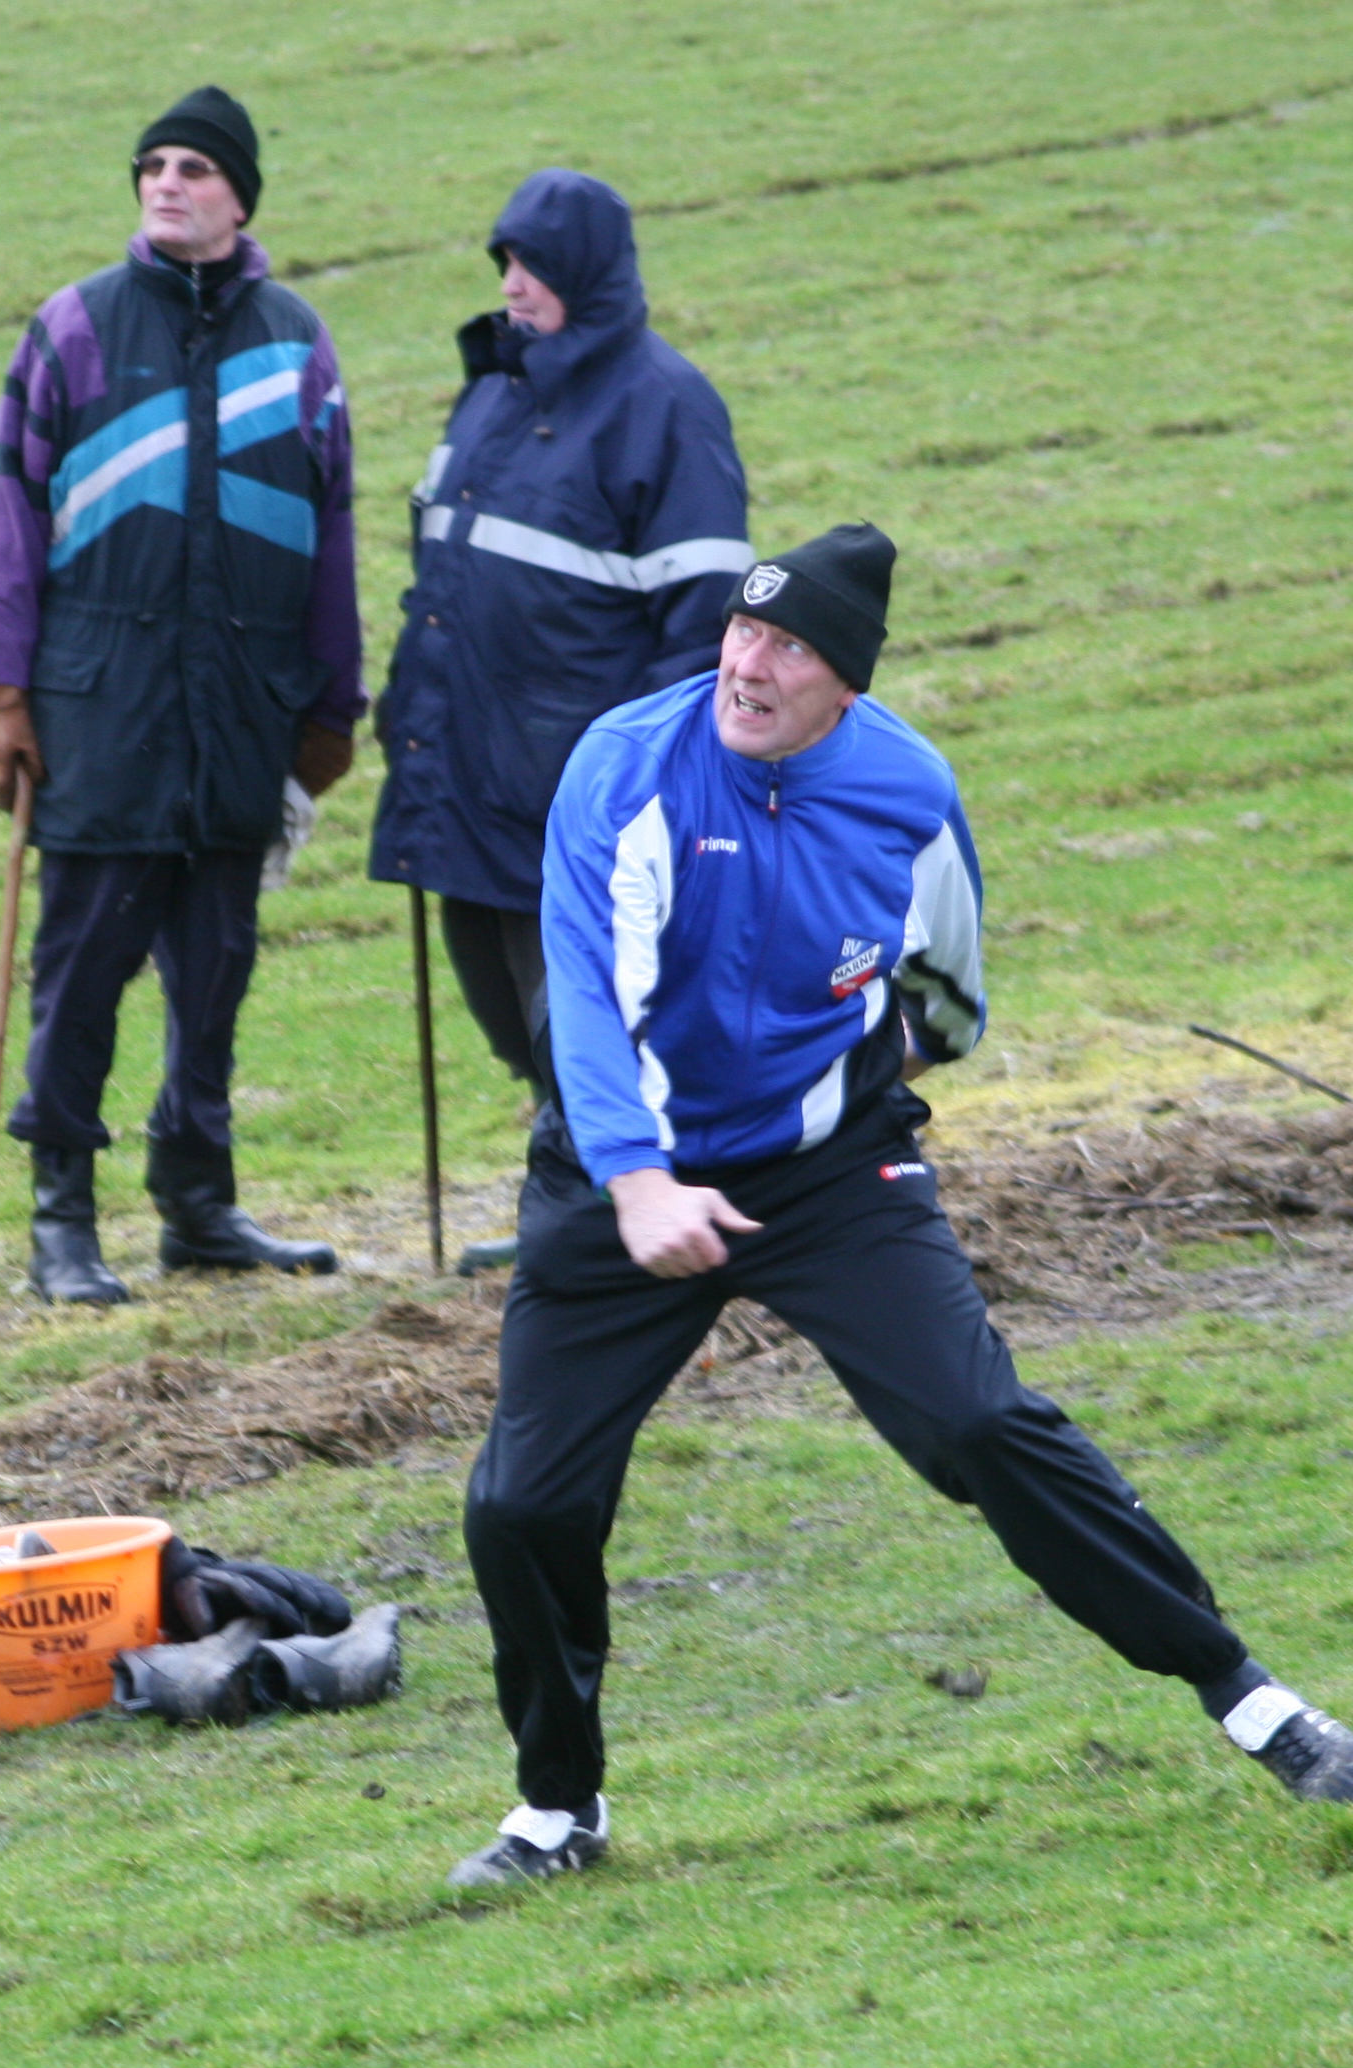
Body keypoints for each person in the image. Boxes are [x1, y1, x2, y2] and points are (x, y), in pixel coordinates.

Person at [444, 523, 1353, 1889]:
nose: (749, 666)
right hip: (620, 1170)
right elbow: (590, 996)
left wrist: (839, 1096)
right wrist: (639, 1181)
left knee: (982, 1423)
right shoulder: (628, 766)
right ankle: (556, 1810)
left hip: (828, 1171)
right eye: (742, 630)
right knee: (523, 1504)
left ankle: (1245, 1693)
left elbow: (947, 1000)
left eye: (789, 647)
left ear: (847, 683)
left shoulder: (908, 791)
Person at [0, 85, 363, 1306]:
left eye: (194, 168)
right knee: (82, 969)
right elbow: (3, 516)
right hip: (101, 706)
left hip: (243, 705)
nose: (167, 183)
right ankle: (61, 1222)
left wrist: (332, 707)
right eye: (153, 166)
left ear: (241, 197)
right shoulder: (73, 327)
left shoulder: (297, 342)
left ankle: (198, 1203)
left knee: (216, 966)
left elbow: (331, 536)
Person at [368, 170, 751, 1276]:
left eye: (532, 263)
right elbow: (442, 575)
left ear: (587, 270)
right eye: (503, 262)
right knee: (503, 1003)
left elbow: (704, 620)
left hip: (578, 788)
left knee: (581, 1011)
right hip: (464, 768)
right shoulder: (493, 391)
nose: (512, 283)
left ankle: (616, 1213)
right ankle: (578, 1193)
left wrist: (649, 779)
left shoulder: (668, 406)